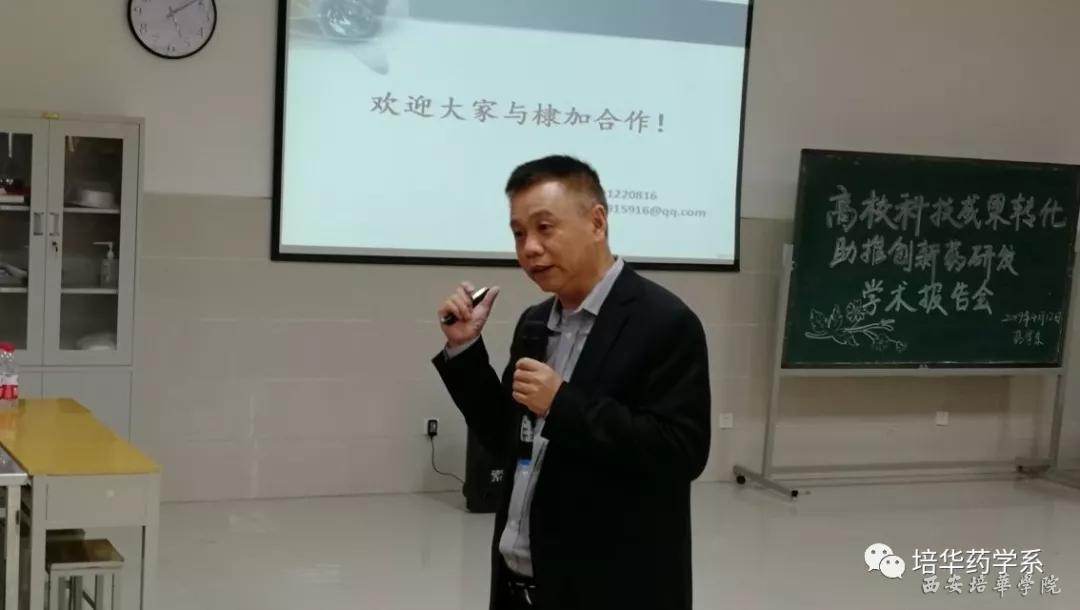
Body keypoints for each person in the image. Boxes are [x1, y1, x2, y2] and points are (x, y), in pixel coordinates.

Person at [432, 155, 711, 610]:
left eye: (545, 228)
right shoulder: (535, 322)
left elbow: (682, 452)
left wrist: (562, 403)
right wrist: (465, 351)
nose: (529, 248)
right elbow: (508, 437)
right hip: (520, 581)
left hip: (610, 588)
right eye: (518, 233)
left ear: (597, 222)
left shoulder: (666, 323)